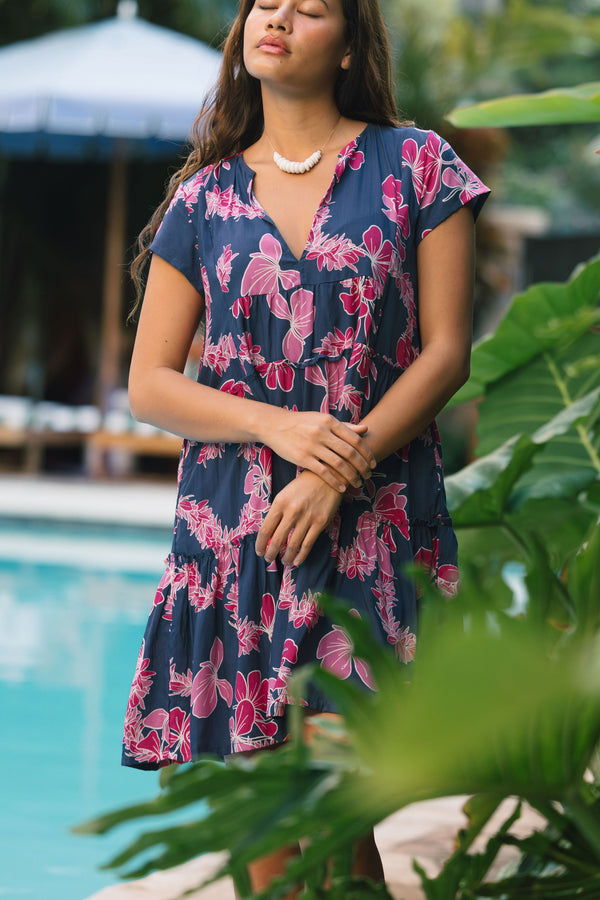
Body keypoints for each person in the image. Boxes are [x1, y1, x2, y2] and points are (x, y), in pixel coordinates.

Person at [121, 0, 490, 894]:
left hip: (373, 521)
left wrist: (337, 467)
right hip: (235, 537)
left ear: (351, 42)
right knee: (267, 831)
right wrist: (276, 426)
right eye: (263, 4)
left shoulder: (416, 166)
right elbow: (151, 383)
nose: (276, 17)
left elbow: (446, 352)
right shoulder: (204, 198)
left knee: (336, 804)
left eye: (309, 6)